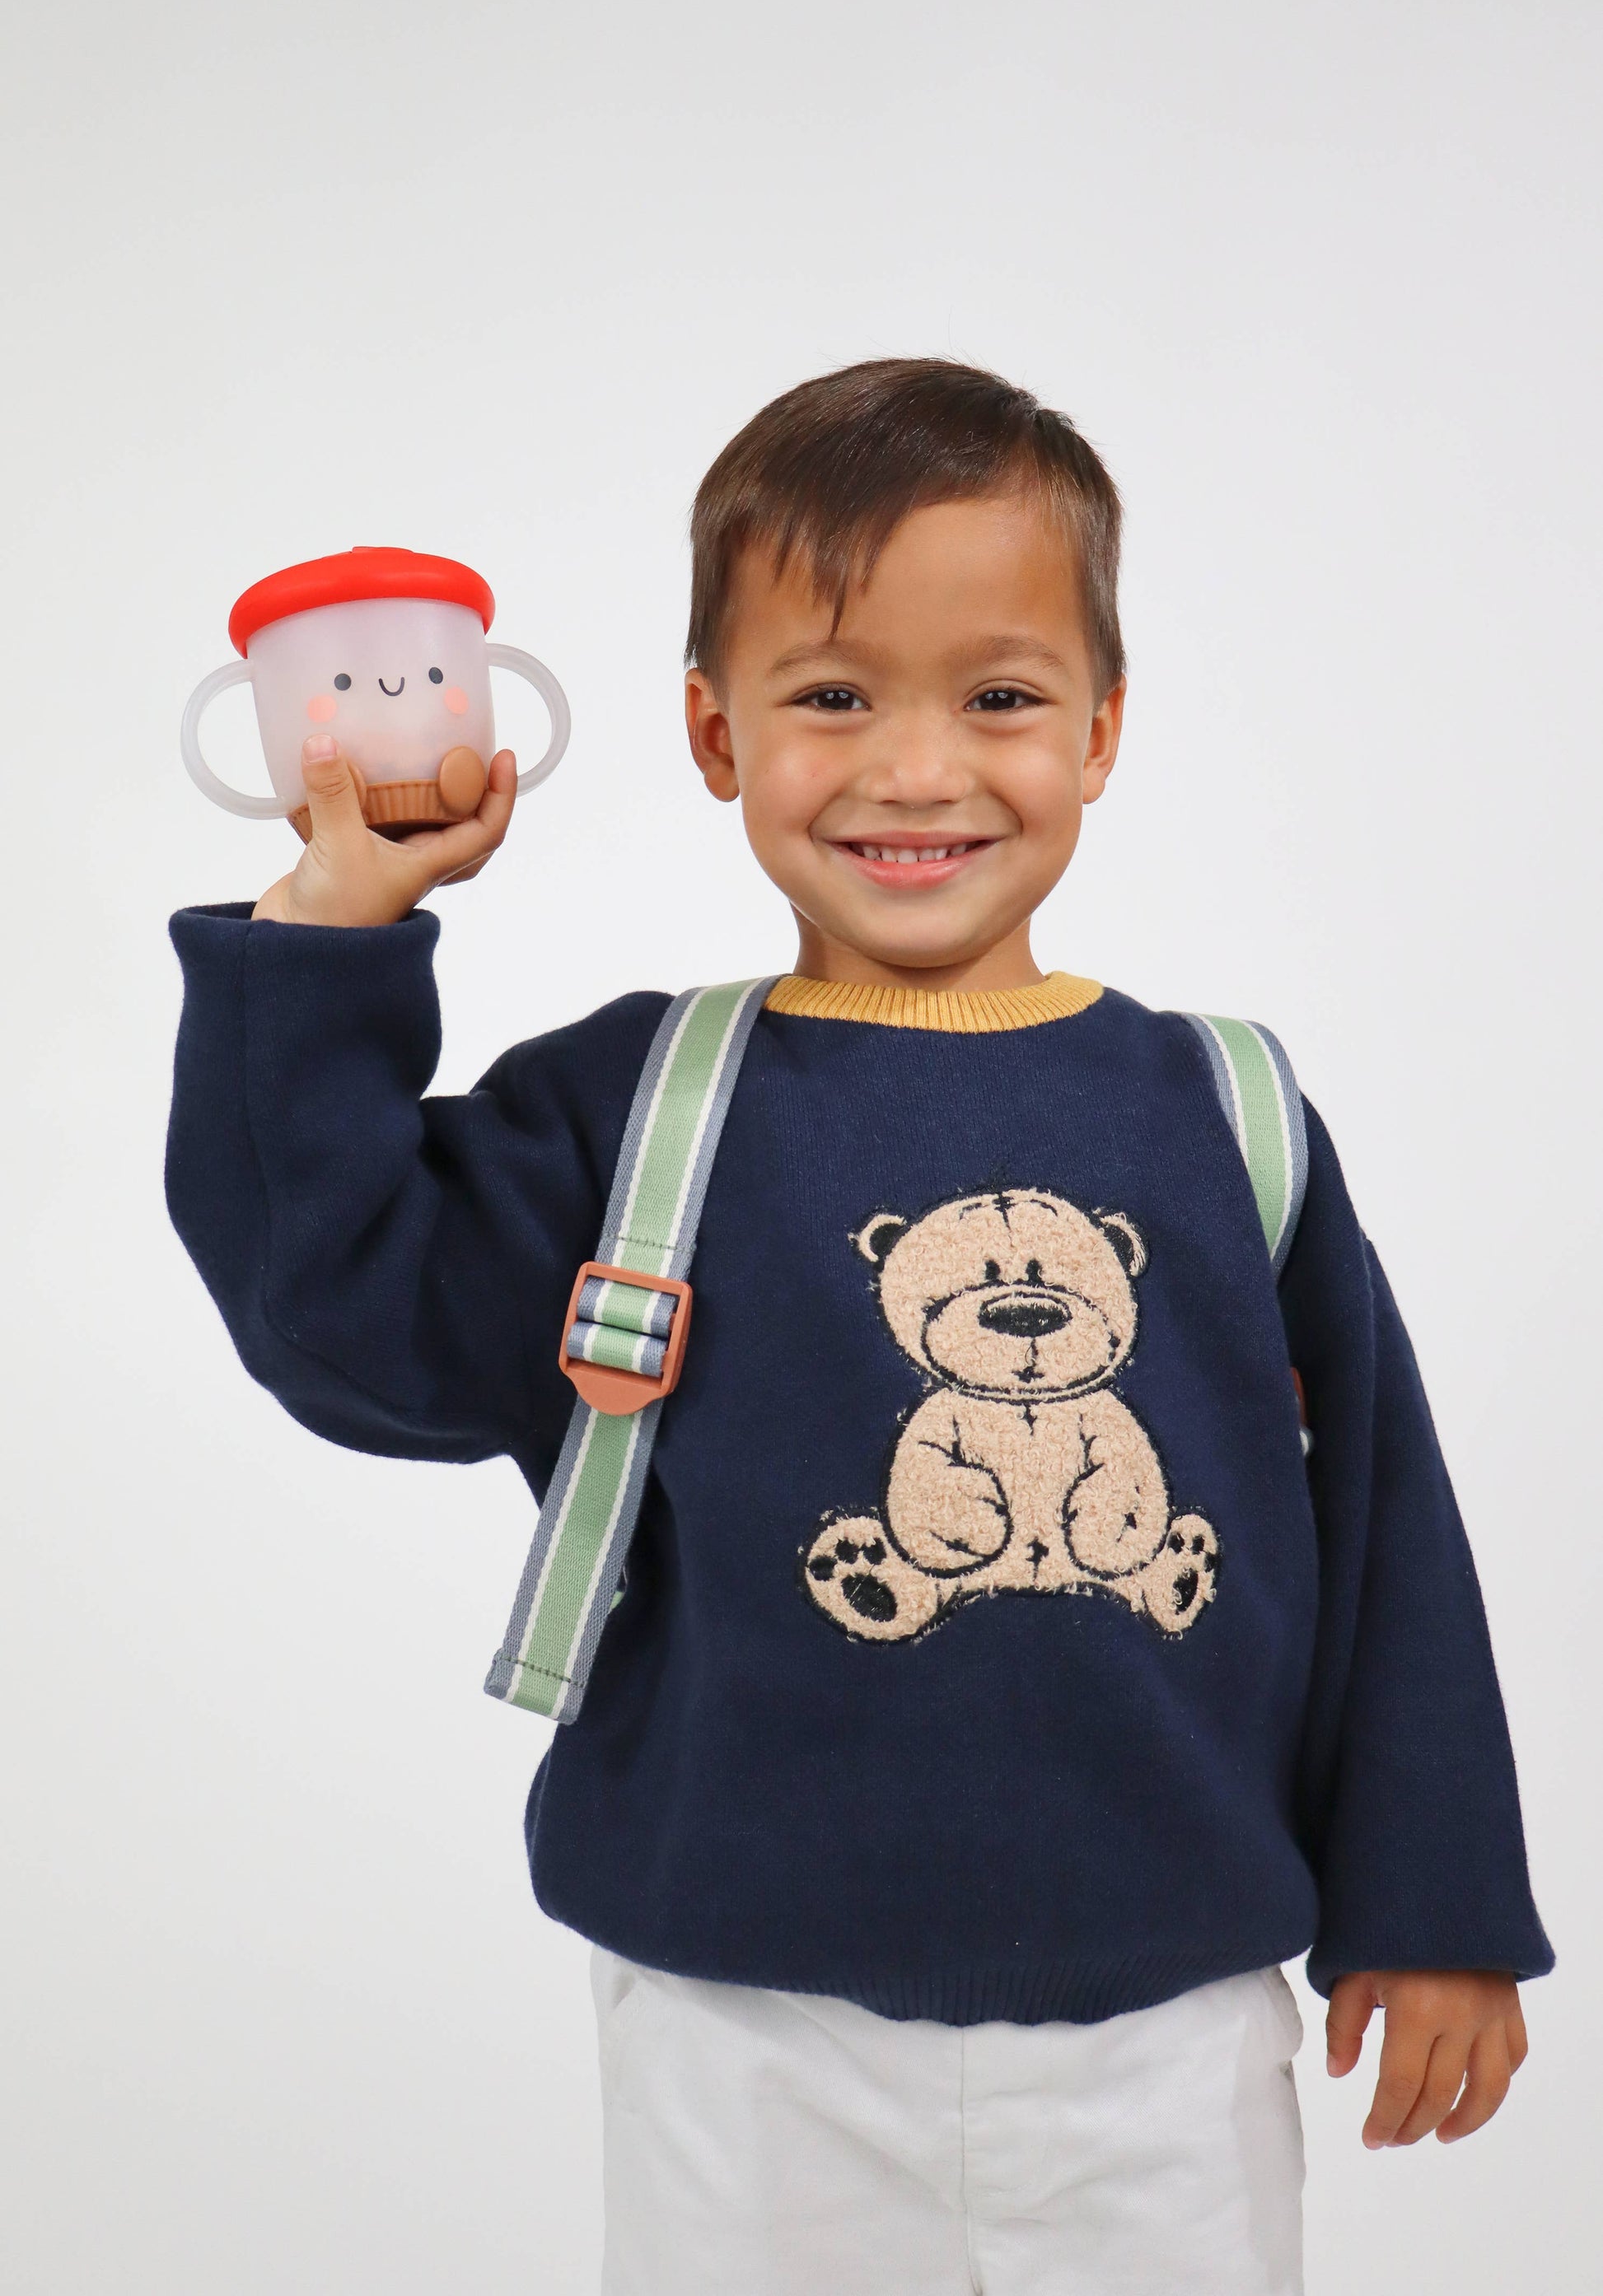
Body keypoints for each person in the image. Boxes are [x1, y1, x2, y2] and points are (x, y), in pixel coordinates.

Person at [166, 358, 1550, 2295]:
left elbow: (1381, 1520)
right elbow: (342, 1320)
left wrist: (1433, 1895)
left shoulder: (1224, 1110)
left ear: (1102, 728)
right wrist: (335, 925)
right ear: (712, 732)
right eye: (831, 696)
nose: (914, 770)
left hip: (1167, 2025)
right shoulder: (636, 1107)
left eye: (999, 697)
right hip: (741, 2027)